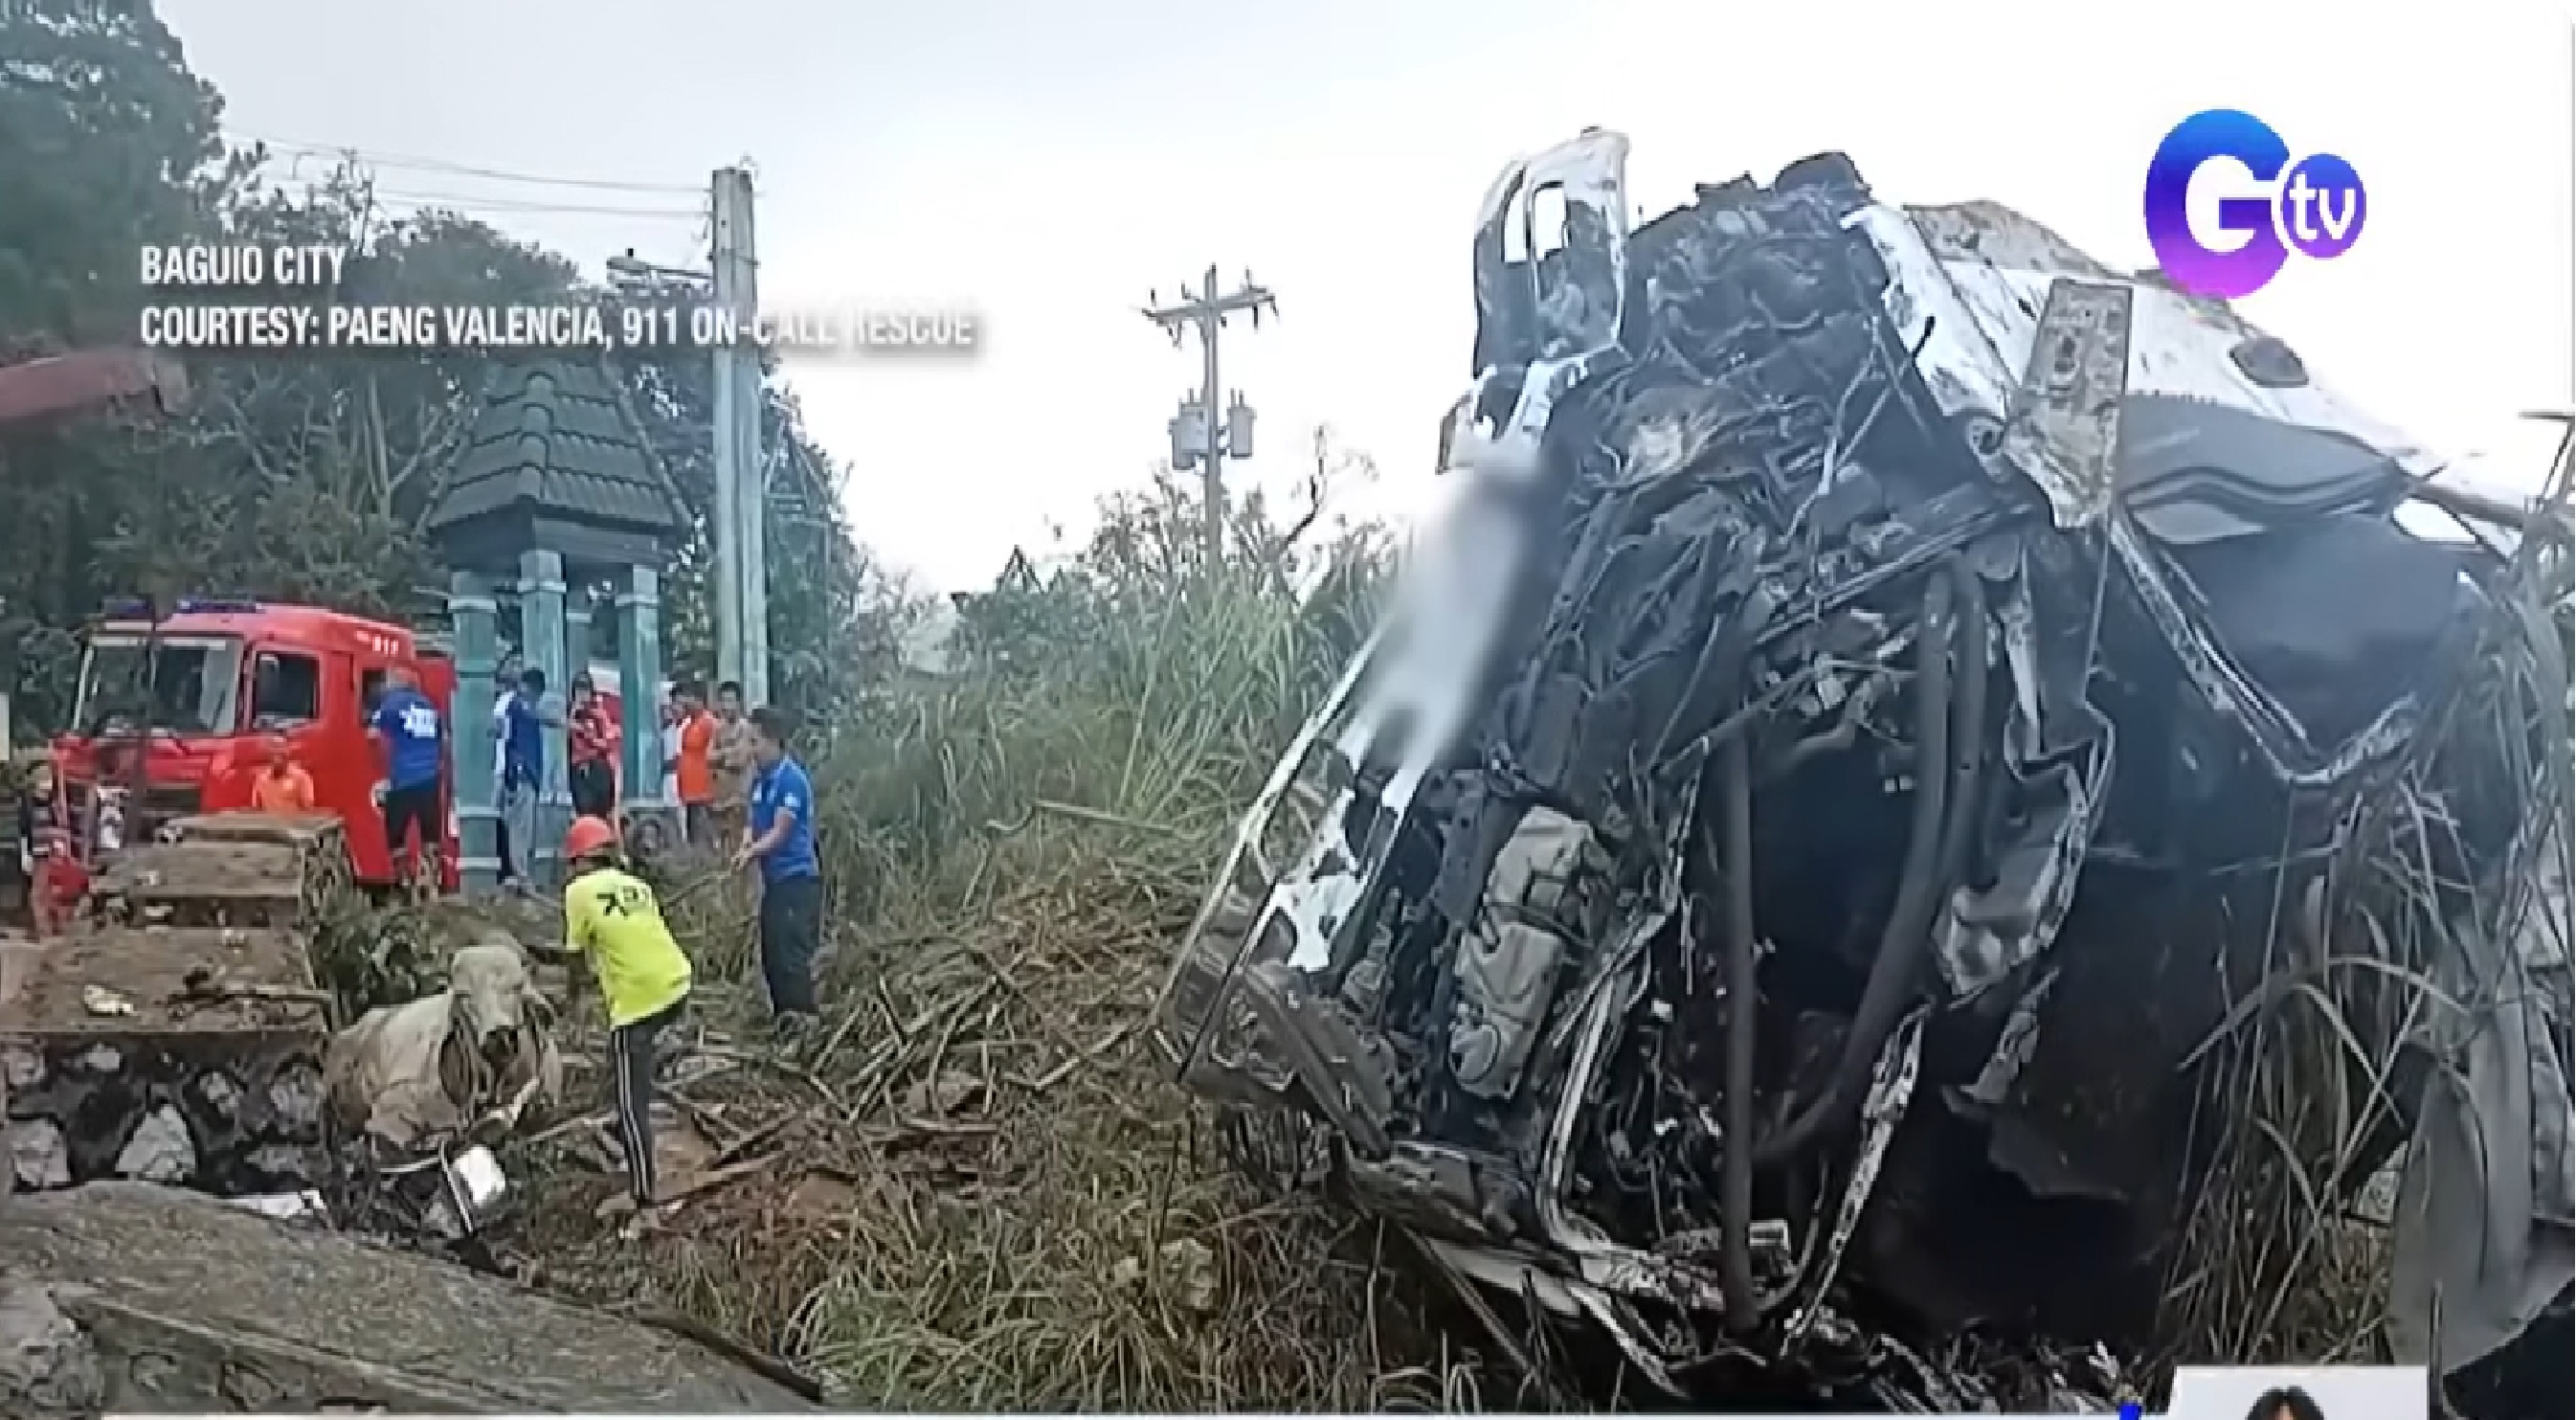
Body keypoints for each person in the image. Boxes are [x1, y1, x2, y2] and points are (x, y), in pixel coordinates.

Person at [560, 815, 692, 1216]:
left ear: (579, 860)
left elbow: (575, 961)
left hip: (637, 1003)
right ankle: (631, 1140)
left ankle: (642, 1194)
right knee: (631, 1066)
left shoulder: (579, 891)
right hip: (677, 981)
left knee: (629, 1102)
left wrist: (573, 1007)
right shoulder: (636, 885)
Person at [732, 706, 821, 1037]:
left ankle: (805, 1026)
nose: (751, 750)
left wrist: (752, 852)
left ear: (773, 741)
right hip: (776, 883)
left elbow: (780, 832)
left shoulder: (791, 780)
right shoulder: (761, 781)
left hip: (797, 882)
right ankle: (785, 1022)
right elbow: (753, 824)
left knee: (791, 958)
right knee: (771, 956)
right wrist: (745, 846)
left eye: (754, 742)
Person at [368, 665, 444, 894]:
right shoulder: (429, 706)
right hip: (430, 778)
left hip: (403, 779)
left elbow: (373, 736)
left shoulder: (391, 704)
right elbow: (443, 739)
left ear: (396, 683)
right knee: (430, 835)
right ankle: (432, 885)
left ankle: (405, 884)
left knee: (396, 836)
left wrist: (382, 766)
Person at [17, 759, 84, 938]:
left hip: (51, 855)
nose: (49, 784)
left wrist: (60, 844)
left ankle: (47, 932)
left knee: (43, 895)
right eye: (45, 780)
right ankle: (47, 931)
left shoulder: (53, 805)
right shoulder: (28, 803)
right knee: (40, 894)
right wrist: (25, 853)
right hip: (37, 854)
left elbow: (60, 828)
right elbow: (24, 830)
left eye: (49, 779)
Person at [499, 666, 549, 889]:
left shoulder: (518, 706)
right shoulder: (515, 705)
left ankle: (518, 871)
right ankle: (519, 874)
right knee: (520, 827)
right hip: (520, 774)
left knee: (522, 826)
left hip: (525, 774)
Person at [709, 681, 754, 855]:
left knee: (740, 847)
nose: (727, 706)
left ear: (739, 703)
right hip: (720, 799)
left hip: (739, 798)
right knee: (723, 849)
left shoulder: (746, 729)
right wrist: (727, 755)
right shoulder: (718, 729)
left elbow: (739, 760)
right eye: (723, 701)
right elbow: (708, 757)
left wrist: (721, 756)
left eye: (731, 701)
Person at [672, 684, 718, 847]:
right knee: (692, 833)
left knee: (701, 833)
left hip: (702, 790)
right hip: (689, 789)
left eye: (690, 698)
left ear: (699, 700)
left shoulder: (708, 722)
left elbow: (713, 754)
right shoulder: (688, 723)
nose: (686, 702)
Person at [568, 676, 617, 821]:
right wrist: (574, 713)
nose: (582, 695)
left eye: (585, 691)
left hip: (597, 765)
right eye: (579, 691)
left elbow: (607, 743)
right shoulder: (570, 713)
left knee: (600, 810)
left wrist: (588, 736)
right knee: (583, 809)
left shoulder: (599, 715)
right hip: (578, 767)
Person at [249, 735, 316, 814]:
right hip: (268, 825)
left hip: (293, 825)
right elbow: (256, 810)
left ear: (288, 751)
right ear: (268, 752)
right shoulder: (260, 779)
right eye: (274, 746)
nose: (278, 751)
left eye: (282, 747)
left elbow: (308, 811)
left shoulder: (301, 777)